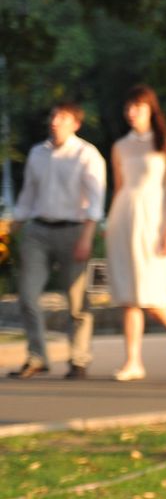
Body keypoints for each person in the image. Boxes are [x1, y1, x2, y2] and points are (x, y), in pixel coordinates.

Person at [7, 101, 105, 379]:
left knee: (76, 300)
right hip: (38, 231)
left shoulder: (87, 155)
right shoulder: (38, 153)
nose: (55, 121)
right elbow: (26, 197)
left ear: (75, 123)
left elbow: (96, 201)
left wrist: (87, 236)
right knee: (27, 294)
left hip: (74, 230)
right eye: (53, 116)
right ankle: (37, 356)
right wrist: (12, 229)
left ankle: (79, 358)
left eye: (62, 117)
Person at [105, 84, 166, 381]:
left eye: (138, 107)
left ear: (151, 109)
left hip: (155, 220)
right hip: (124, 219)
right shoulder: (120, 146)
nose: (132, 113)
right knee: (128, 295)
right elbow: (119, 187)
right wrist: (110, 225)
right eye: (129, 107)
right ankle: (133, 361)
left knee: (150, 292)